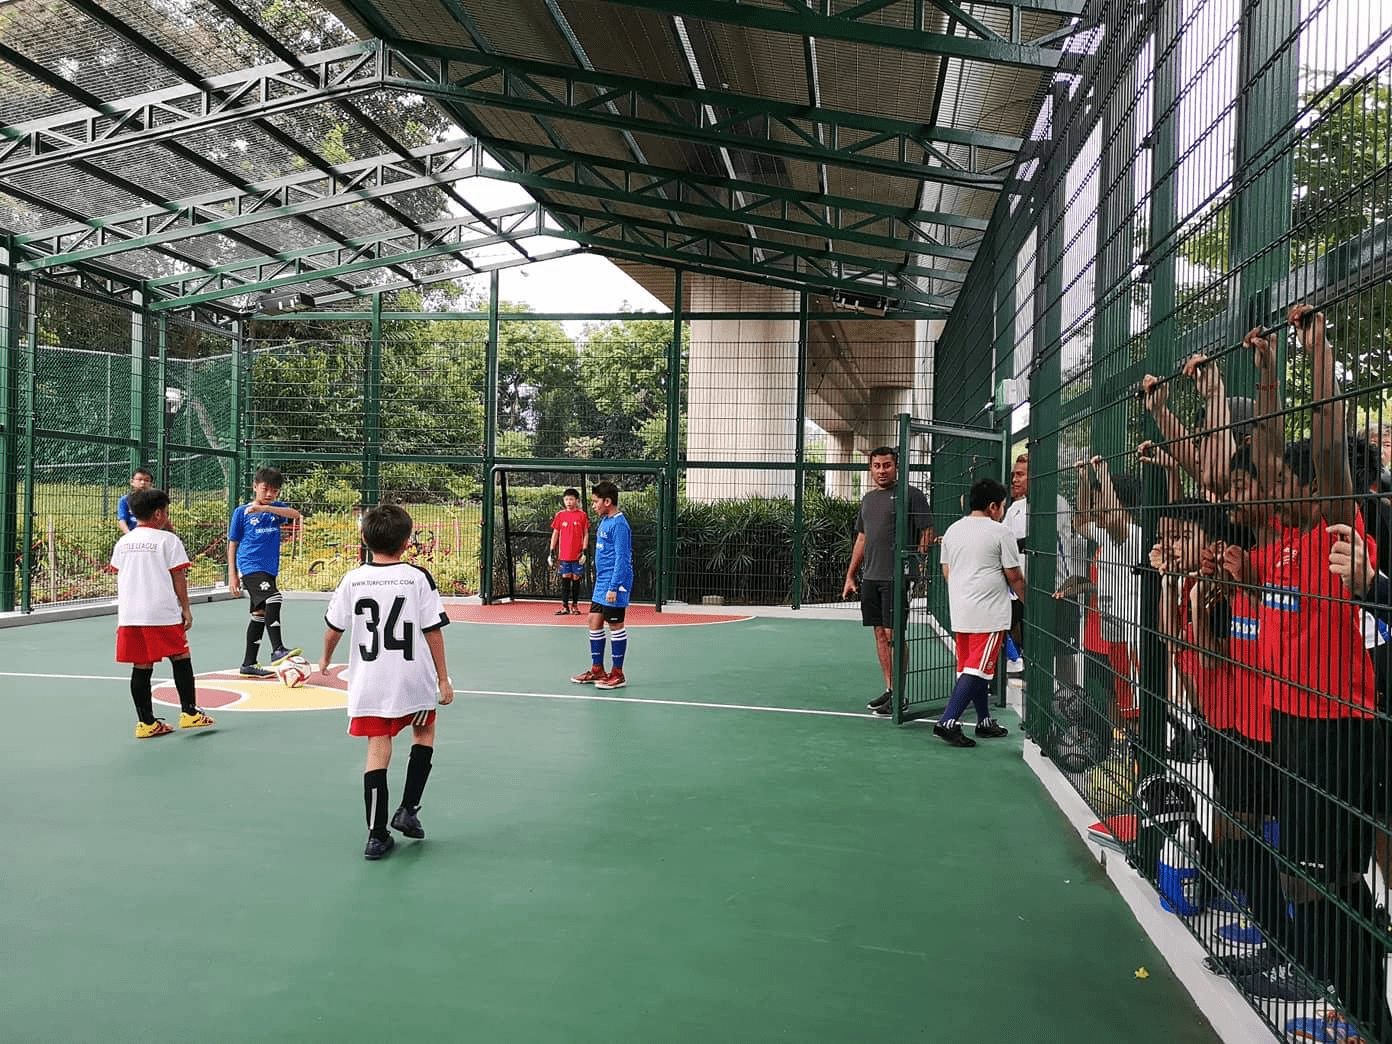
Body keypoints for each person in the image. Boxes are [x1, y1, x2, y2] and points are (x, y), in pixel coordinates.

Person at [319, 503, 454, 861]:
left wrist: (326, 659)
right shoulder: (417, 577)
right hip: (414, 678)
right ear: (408, 541)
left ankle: (376, 836)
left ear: (363, 538)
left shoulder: (352, 579)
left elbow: (334, 628)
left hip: (370, 681)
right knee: (423, 734)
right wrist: (443, 679)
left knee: (377, 751)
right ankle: (409, 808)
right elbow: (433, 631)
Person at [109, 487, 216, 738]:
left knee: (142, 665)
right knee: (181, 656)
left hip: (130, 615)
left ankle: (146, 723)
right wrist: (186, 609)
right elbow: (178, 576)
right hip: (161, 611)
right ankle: (190, 713)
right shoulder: (168, 540)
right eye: (166, 511)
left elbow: (119, 573)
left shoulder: (123, 542)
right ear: (159, 514)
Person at [841, 446, 936, 716]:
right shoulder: (868, 500)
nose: (882, 471)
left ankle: (900, 695)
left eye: (887, 465)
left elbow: (927, 530)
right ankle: (890, 689)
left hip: (897, 578)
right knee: (880, 634)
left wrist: (917, 560)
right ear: (870, 469)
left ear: (896, 467)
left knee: (894, 635)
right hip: (871, 578)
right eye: (877, 466)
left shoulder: (912, 496)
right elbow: (862, 538)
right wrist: (850, 575)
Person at [934, 477, 1025, 747]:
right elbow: (1014, 576)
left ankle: (983, 721)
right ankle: (948, 721)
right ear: (994, 507)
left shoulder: (953, 530)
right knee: (977, 670)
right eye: (1003, 507)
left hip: (961, 612)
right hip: (989, 614)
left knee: (970, 669)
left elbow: (947, 572)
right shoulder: (1000, 533)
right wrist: (1029, 602)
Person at [1002, 451, 1083, 684]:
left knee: (1064, 651)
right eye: (1013, 475)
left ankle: (1067, 693)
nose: (1015, 480)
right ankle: (1032, 677)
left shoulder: (1056, 502)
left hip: (1059, 590)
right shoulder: (1014, 509)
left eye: (1021, 475)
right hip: (1027, 590)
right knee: (1027, 637)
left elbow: (1038, 540)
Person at [227, 466, 303, 678]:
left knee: (259, 614)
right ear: (255, 487)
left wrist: (267, 509)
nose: (270, 494)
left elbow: (296, 515)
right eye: (265, 489)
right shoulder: (241, 512)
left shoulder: (275, 510)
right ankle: (278, 649)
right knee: (274, 598)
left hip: (269, 570)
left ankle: (248, 664)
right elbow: (233, 542)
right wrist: (233, 573)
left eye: (275, 491)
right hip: (250, 567)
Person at [569, 480, 633, 691]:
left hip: (615, 582)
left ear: (608, 501)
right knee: (594, 621)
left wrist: (614, 587)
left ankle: (618, 674)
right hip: (602, 581)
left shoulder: (619, 525)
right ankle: (597, 669)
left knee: (615, 625)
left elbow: (622, 559)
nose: (593, 505)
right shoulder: (604, 521)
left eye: (596, 502)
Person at [548, 487, 590, 615]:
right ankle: (564, 606)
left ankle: (575, 606)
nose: (569, 502)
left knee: (576, 578)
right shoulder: (560, 515)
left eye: (571, 499)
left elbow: (586, 534)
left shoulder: (582, 515)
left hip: (577, 555)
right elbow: (555, 533)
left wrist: (584, 551)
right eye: (566, 499)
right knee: (565, 578)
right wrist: (551, 551)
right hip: (564, 555)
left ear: (576, 500)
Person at [116, 467, 159, 534]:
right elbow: (122, 521)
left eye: (146, 480)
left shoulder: (156, 500)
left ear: (151, 484)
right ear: (132, 482)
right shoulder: (125, 500)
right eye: (139, 479)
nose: (143, 483)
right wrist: (129, 535)